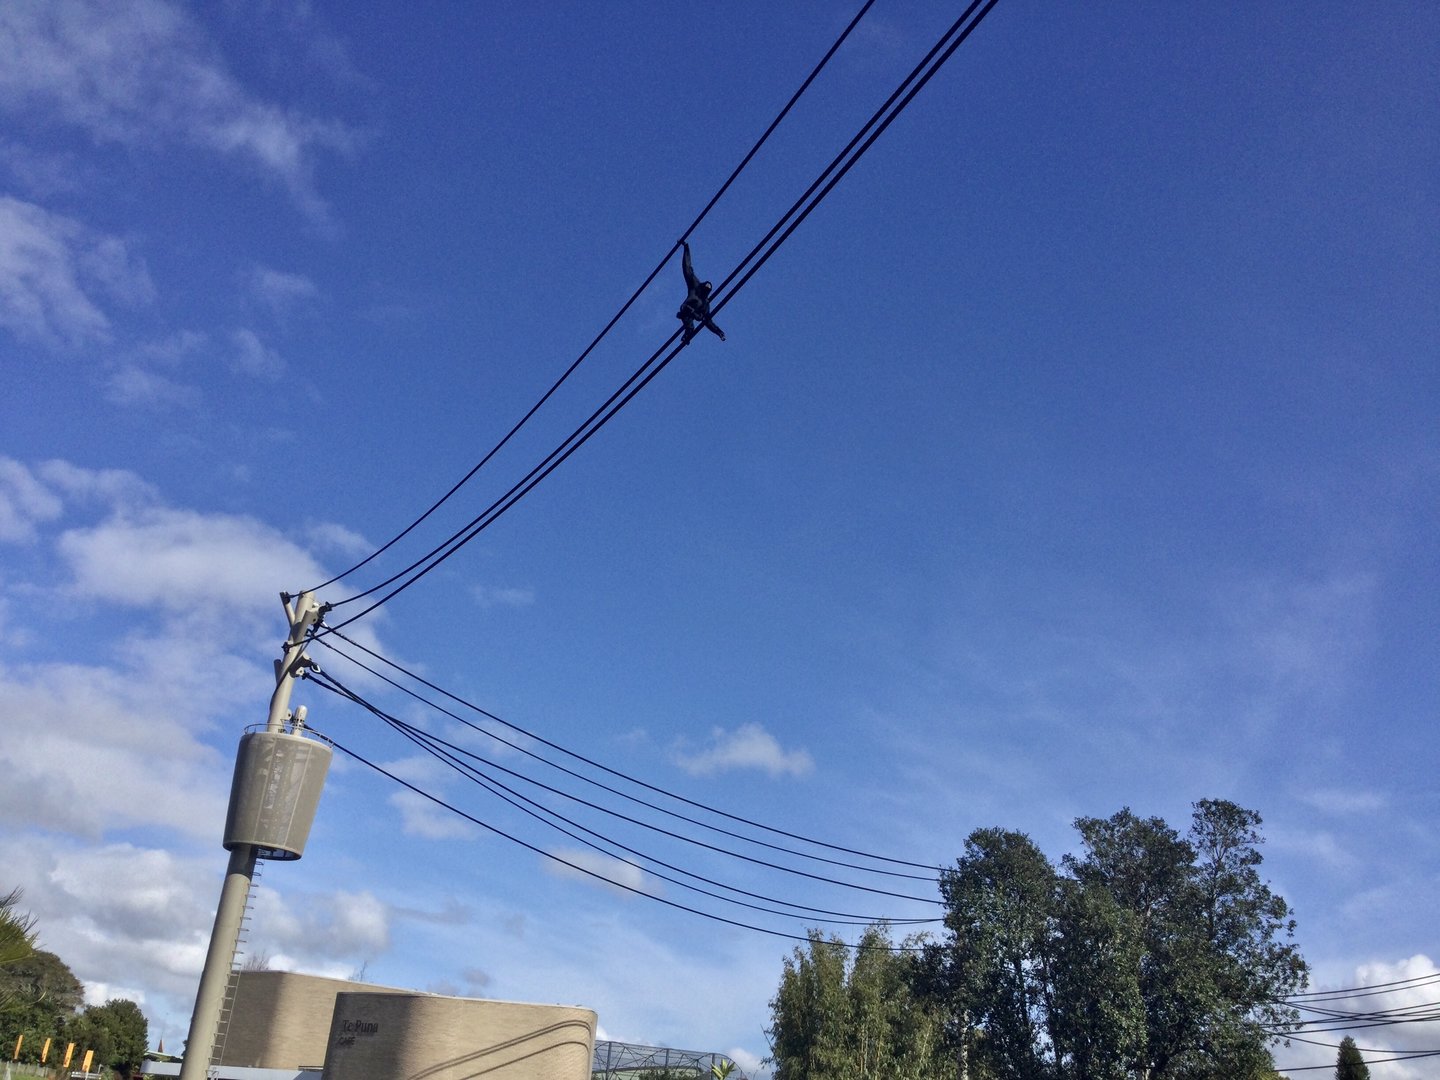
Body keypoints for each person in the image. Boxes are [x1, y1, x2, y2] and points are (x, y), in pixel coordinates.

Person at [676, 241, 725, 343]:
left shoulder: (705, 302)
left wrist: (719, 332)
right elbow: (687, 267)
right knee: (692, 323)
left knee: (693, 326)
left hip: (694, 314)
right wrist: (686, 247)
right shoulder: (695, 285)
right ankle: (688, 331)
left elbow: (708, 321)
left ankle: (687, 335)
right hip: (686, 309)